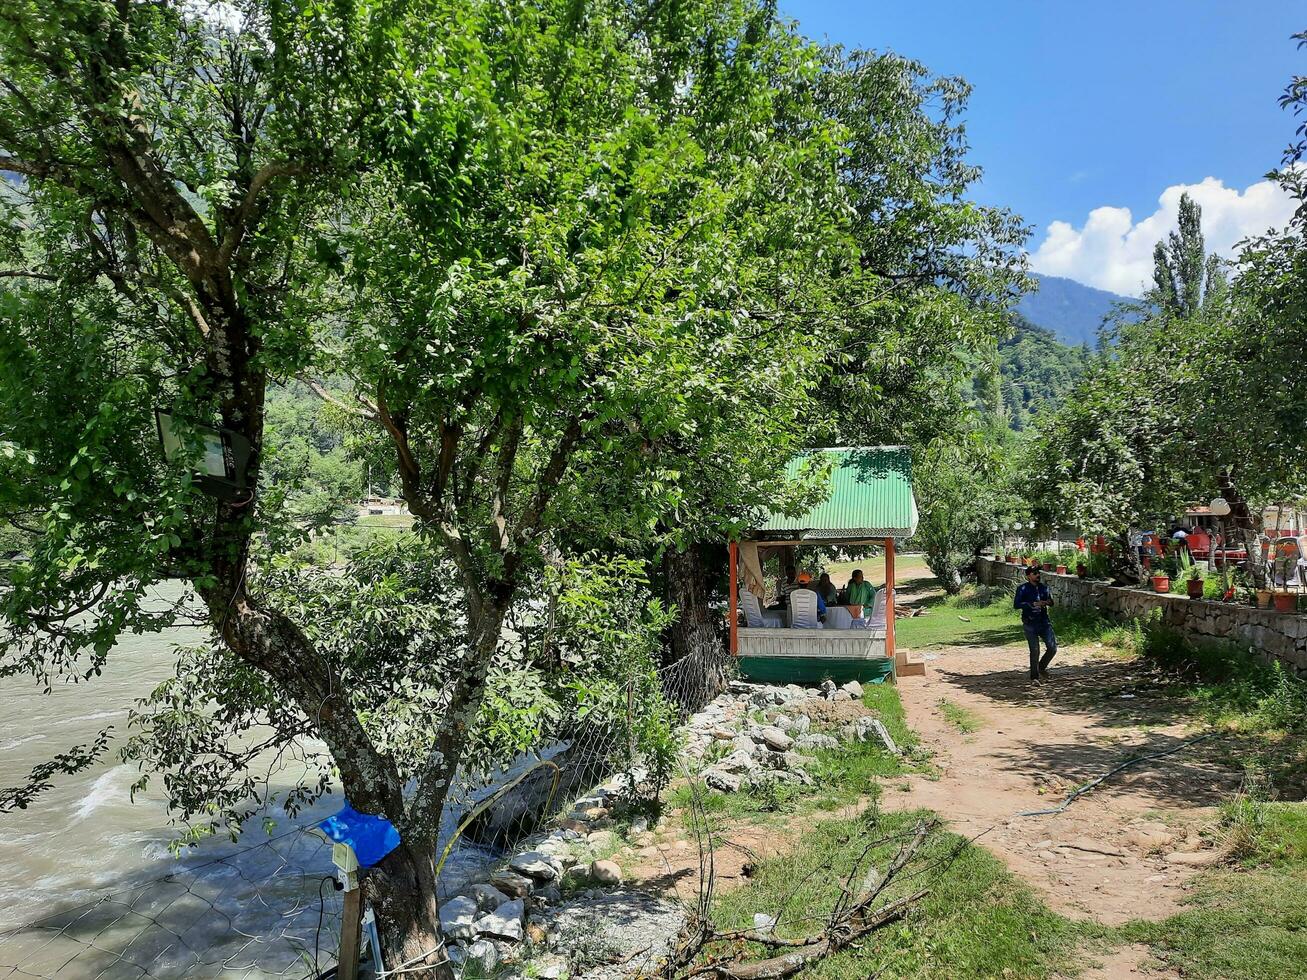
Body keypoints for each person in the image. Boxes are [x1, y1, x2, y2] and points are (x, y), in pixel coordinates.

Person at [1013, 566, 1056, 682]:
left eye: (1038, 573)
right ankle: (1034, 677)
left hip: (1044, 622)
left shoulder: (1044, 588)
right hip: (1030, 623)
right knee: (1035, 650)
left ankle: (1041, 667)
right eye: (1034, 573)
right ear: (1028, 576)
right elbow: (1016, 604)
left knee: (1052, 648)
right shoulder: (1022, 589)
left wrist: (1046, 602)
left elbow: (1051, 602)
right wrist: (1032, 604)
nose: (1038, 575)